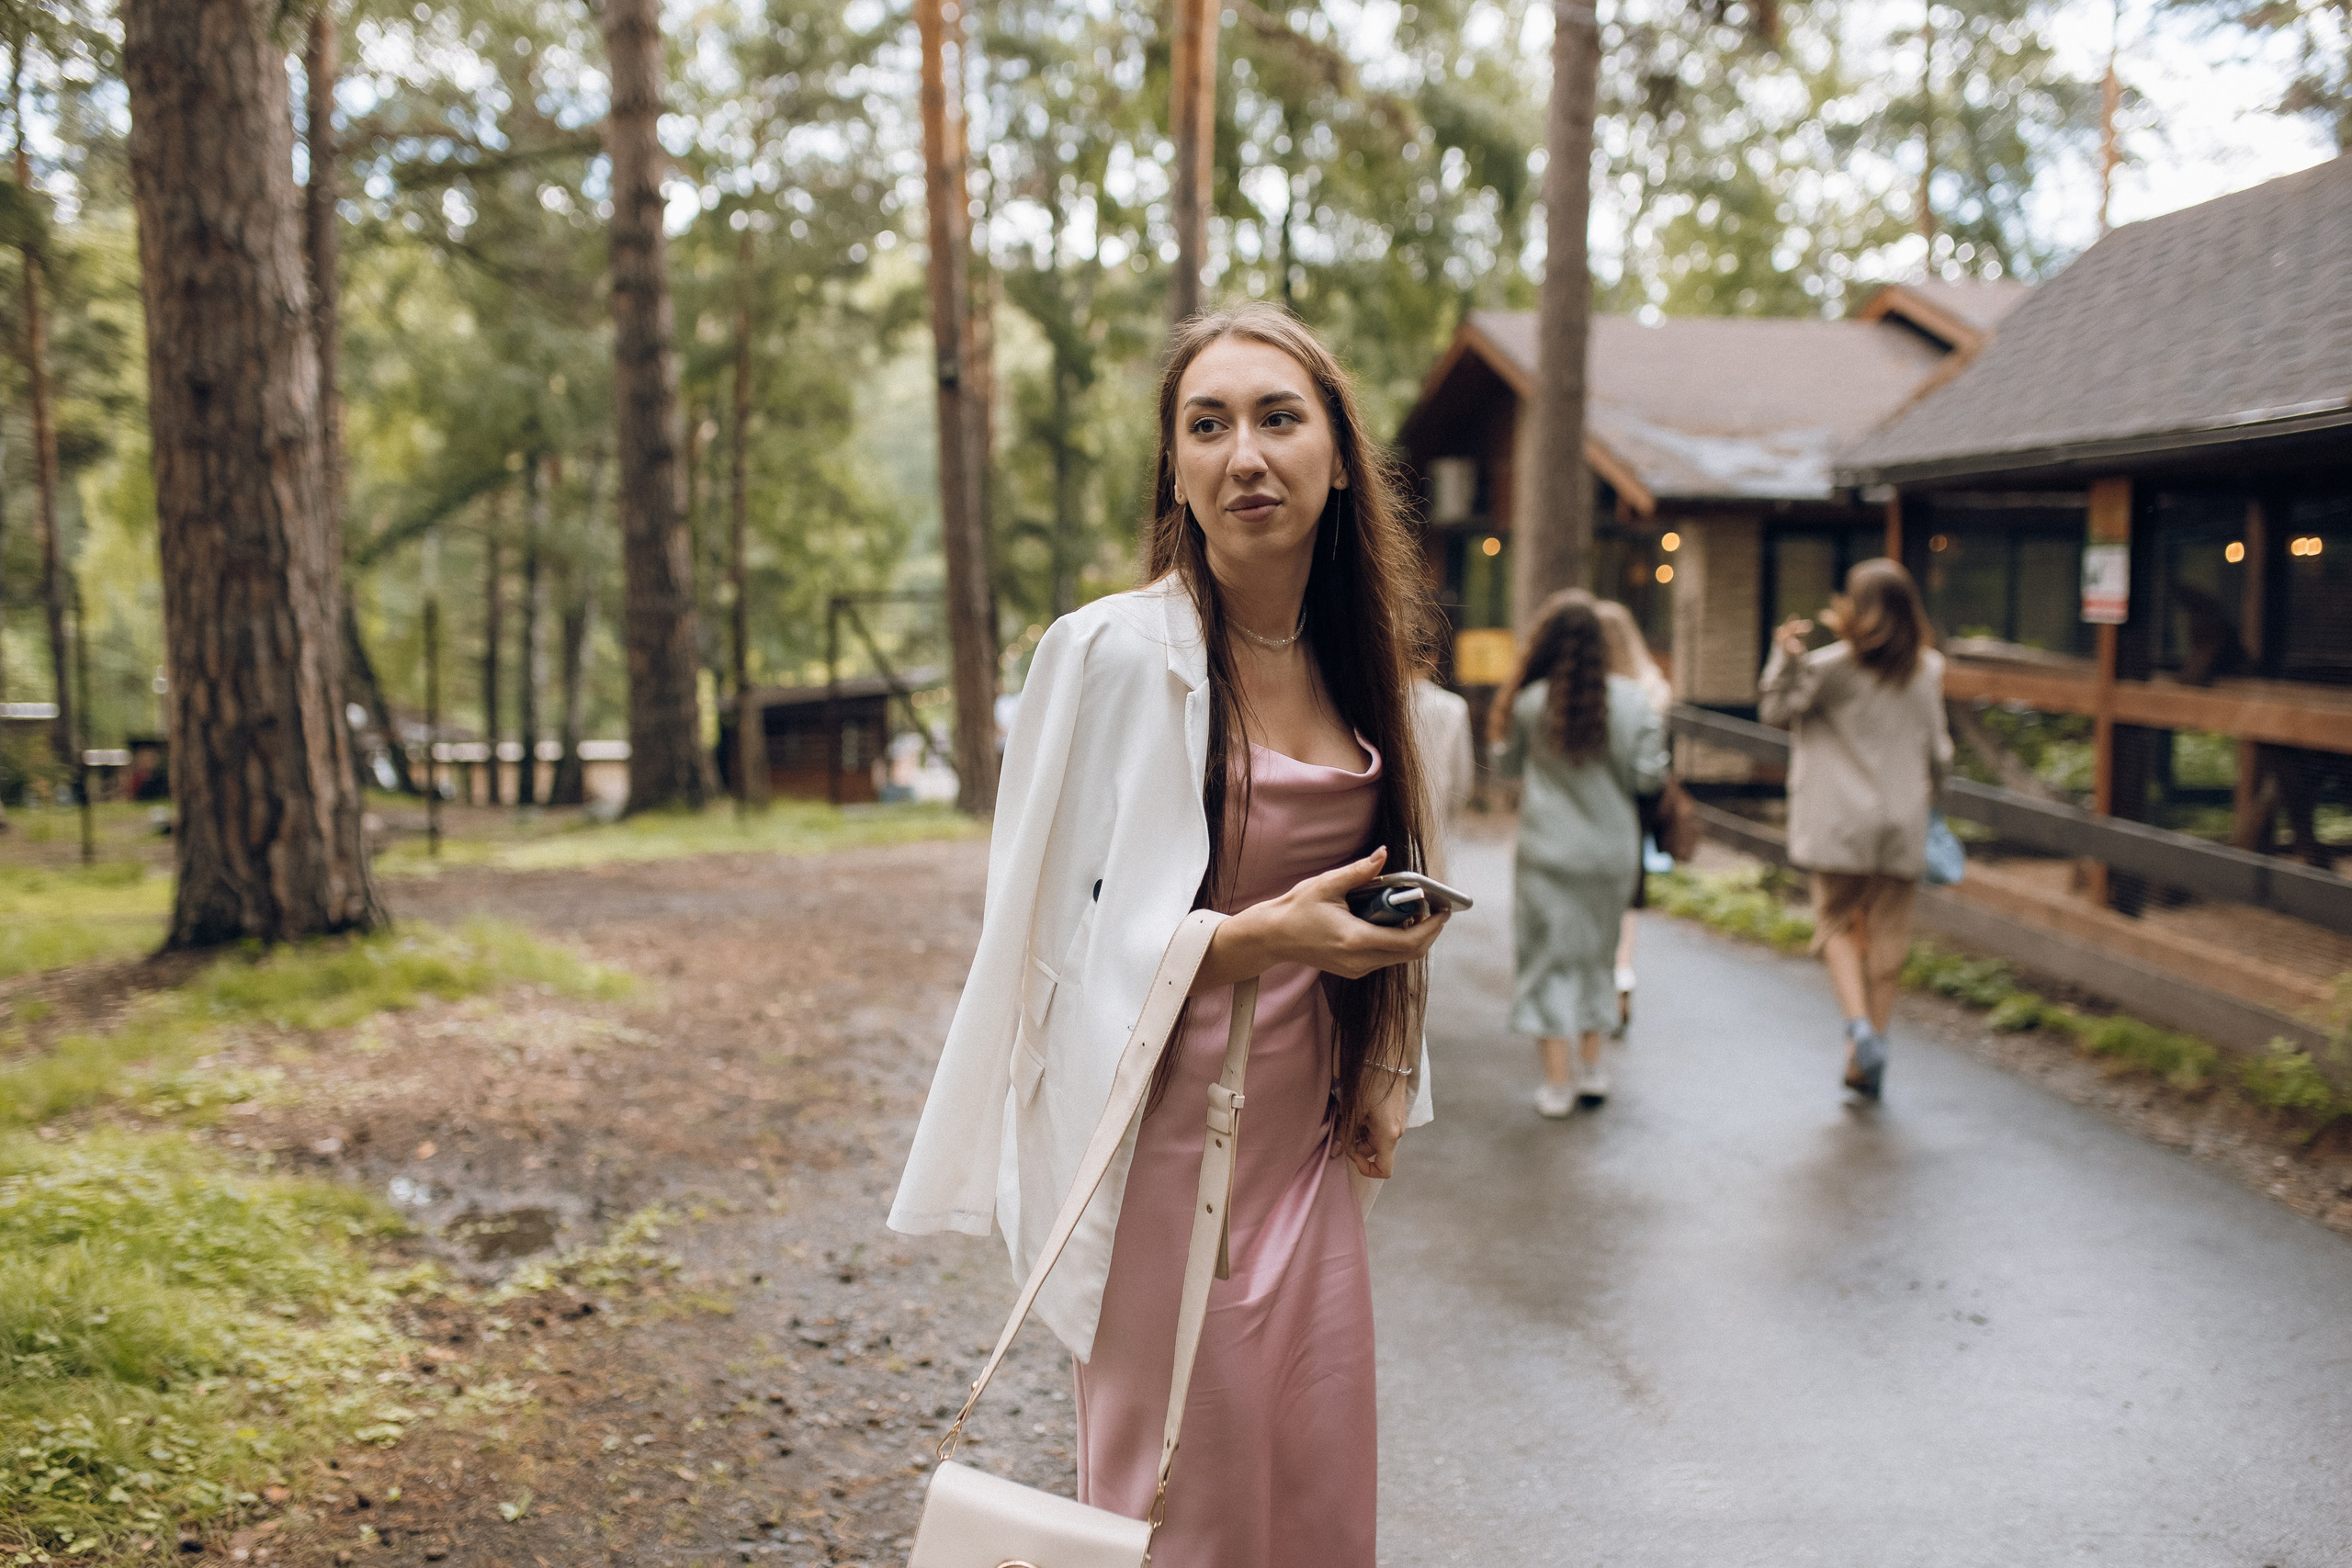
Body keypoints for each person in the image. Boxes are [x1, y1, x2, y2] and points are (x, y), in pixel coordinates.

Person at [889, 303, 1448, 1568]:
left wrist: (1382, 1060)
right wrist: (1236, 943)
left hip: (1302, 1148)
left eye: (1277, 417)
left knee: (1314, 1479)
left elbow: (1383, 891)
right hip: (1155, 1147)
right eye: (1209, 425)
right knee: (1177, 1505)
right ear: (1178, 471)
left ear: (1341, 455)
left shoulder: (1364, 663)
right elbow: (1036, 940)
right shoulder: (1106, 655)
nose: (1244, 452)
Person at [1758, 558, 1952, 1100]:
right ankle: (1869, 1056)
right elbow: (1940, 752)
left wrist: (1786, 657)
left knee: (1836, 925)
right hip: (1902, 820)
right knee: (1888, 933)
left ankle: (1857, 1029)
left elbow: (1774, 708)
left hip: (1839, 824)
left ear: (1857, 606)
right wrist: (1933, 796)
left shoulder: (1831, 667)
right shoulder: (1928, 669)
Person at [1494, 589, 1668, 1117]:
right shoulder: (1635, 702)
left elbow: (1506, 769)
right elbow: (1649, 776)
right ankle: (1593, 1070)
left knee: (1545, 962)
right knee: (1599, 956)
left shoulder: (1529, 703)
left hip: (1547, 852)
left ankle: (1556, 1084)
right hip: (1612, 854)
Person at [1593, 598, 1673, 1034]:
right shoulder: (1651, 689)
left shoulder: (1582, 692)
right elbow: (1652, 765)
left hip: (1589, 808)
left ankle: (1593, 982)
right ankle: (1622, 973)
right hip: (1633, 811)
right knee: (1625, 902)